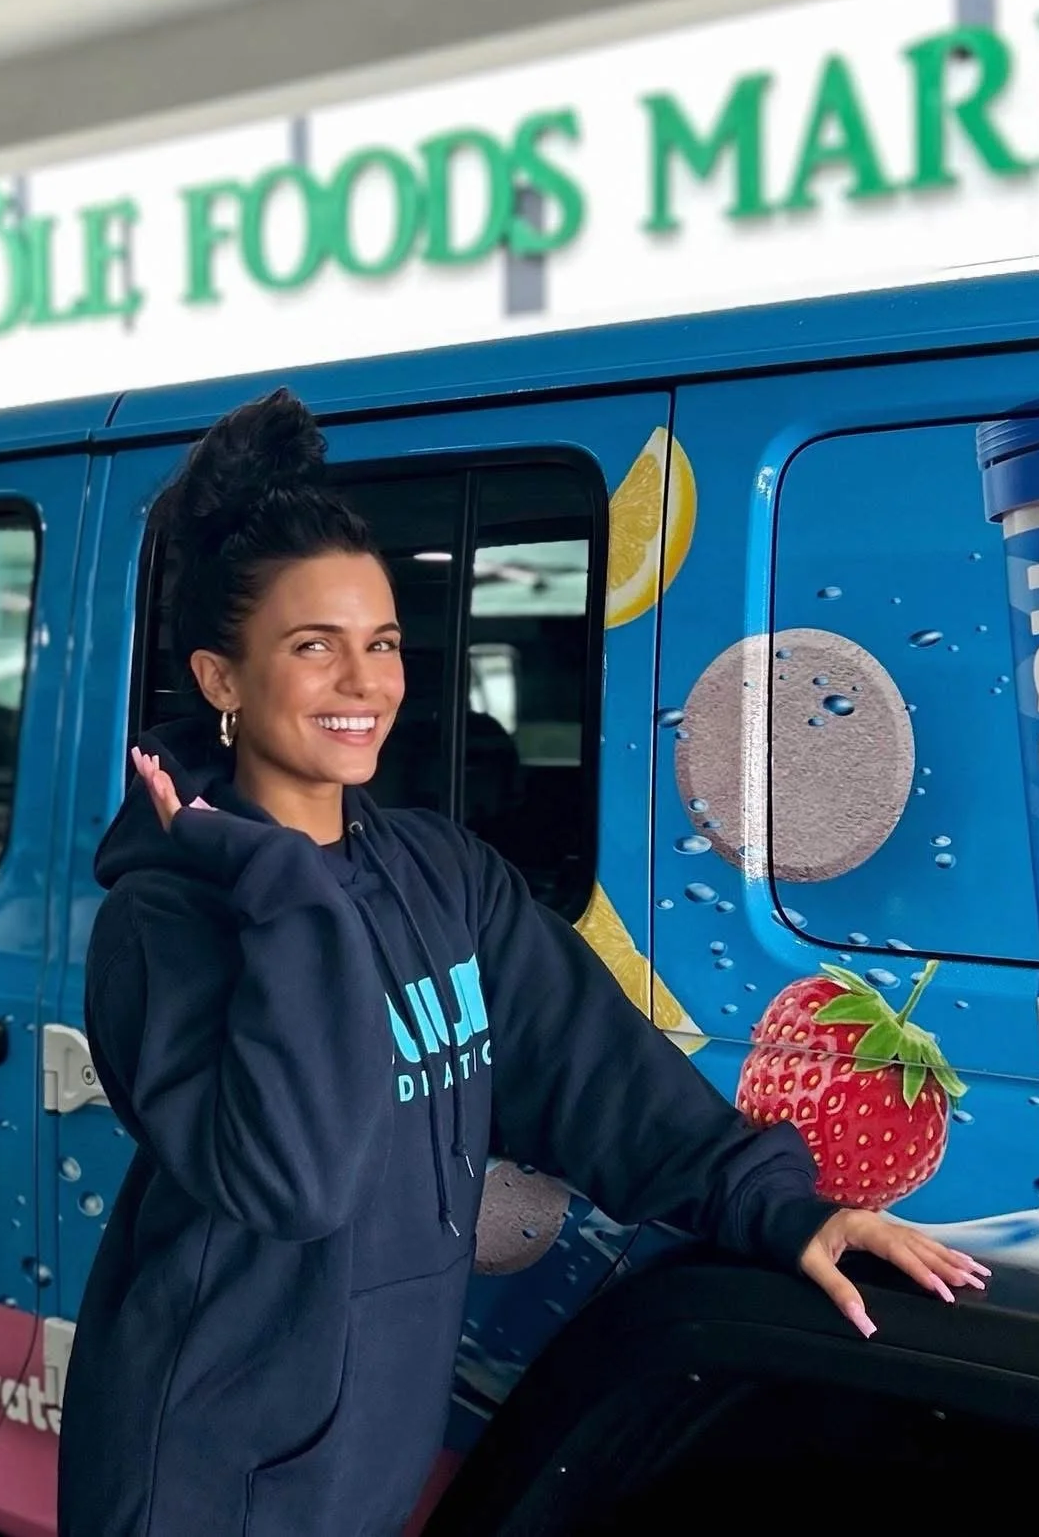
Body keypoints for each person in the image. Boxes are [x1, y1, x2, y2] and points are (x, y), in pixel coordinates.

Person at [57, 389, 988, 1537]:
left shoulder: (437, 874)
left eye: (382, 644)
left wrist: (781, 1210)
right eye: (314, 648)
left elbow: (588, 1070)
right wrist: (278, 880)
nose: (363, 683)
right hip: (200, 1472)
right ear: (220, 681)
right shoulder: (167, 923)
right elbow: (292, 1180)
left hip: (358, 1465)